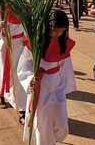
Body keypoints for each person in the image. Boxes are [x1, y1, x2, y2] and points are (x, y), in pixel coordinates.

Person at [18, 10, 76, 145]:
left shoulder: (64, 44)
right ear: (46, 28)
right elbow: (24, 66)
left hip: (57, 87)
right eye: (54, 31)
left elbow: (66, 67)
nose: (57, 34)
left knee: (62, 126)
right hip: (40, 87)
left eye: (61, 31)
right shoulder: (34, 43)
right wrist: (30, 80)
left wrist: (66, 87)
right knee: (43, 126)